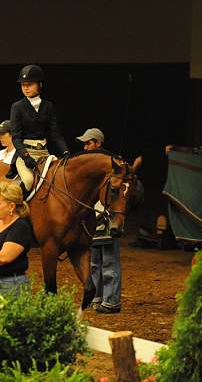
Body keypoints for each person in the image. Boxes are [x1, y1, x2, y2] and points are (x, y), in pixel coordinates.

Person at [76, 128, 122, 314]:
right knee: (94, 262)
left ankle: (111, 301)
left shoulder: (113, 164)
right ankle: (97, 296)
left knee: (110, 262)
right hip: (92, 218)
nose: (85, 146)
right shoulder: (85, 166)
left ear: (98, 143)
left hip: (108, 217)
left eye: (89, 143)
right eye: (85, 143)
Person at [6, 64, 70, 191]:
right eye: (23, 85)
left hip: (44, 154)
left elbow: (55, 133)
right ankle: (19, 209)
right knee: (29, 181)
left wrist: (65, 152)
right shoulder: (17, 107)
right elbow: (16, 137)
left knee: (58, 179)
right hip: (26, 154)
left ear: (39, 85)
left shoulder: (48, 107)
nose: (25, 88)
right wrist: (26, 156)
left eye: (29, 84)